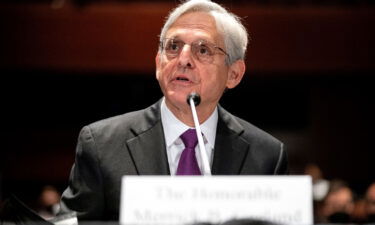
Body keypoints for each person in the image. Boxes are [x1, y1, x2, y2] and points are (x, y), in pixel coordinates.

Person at [59, 0, 288, 220]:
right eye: (173, 46)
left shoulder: (266, 156)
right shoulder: (102, 145)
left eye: (203, 50)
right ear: (159, 62)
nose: (183, 59)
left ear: (234, 74)